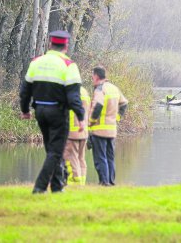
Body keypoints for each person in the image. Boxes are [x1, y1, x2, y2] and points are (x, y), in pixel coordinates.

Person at [20, 30, 85, 194]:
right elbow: (73, 96)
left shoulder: (36, 62)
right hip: (58, 112)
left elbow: (25, 90)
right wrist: (81, 117)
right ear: (66, 45)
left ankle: (57, 187)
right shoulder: (69, 65)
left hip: (40, 111)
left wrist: (25, 110)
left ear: (50, 44)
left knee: (51, 149)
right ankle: (39, 187)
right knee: (56, 151)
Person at [89, 66, 128, 186]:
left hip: (99, 130)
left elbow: (98, 106)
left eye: (92, 77)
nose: (92, 79)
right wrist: (117, 117)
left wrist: (90, 121)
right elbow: (124, 103)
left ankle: (104, 182)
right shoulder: (114, 88)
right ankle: (111, 181)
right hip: (111, 130)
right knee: (110, 157)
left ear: (96, 76)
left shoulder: (100, 89)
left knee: (100, 157)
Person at [63, 86, 91, 185]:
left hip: (72, 132)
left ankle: (74, 183)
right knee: (81, 158)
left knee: (71, 158)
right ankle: (82, 183)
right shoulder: (84, 91)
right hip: (83, 132)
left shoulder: (69, 91)